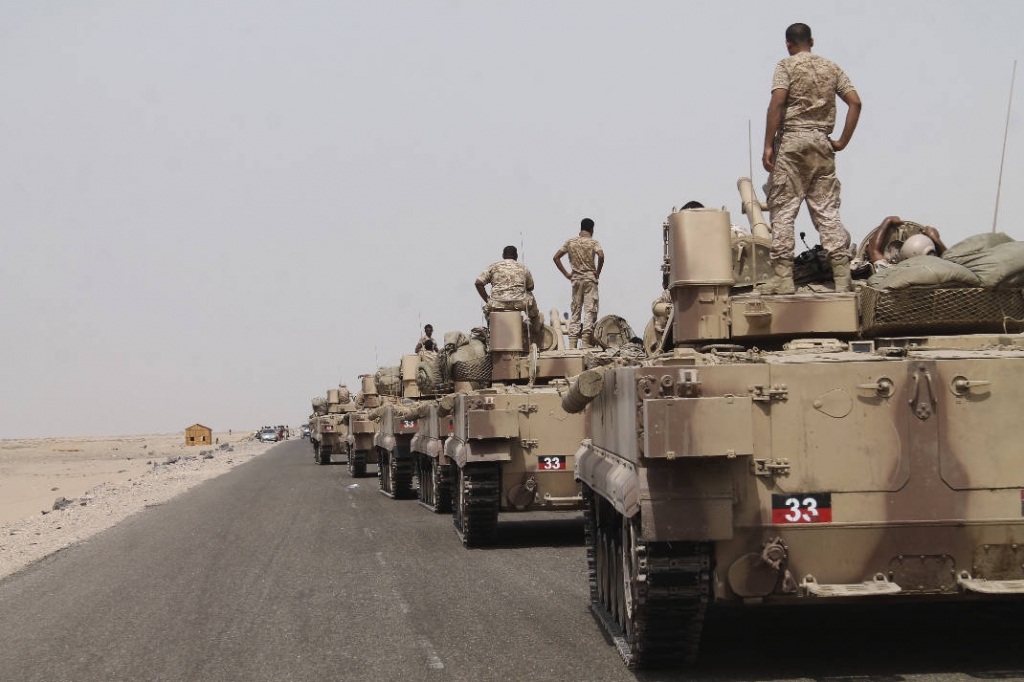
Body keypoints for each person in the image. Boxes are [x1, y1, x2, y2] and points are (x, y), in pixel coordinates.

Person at [760, 22, 862, 294]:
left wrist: (768, 145)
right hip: (822, 143)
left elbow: (778, 103)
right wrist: (841, 140)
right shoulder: (832, 67)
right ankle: (842, 277)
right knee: (826, 210)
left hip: (793, 141)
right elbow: (855, 102)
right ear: (812, 41)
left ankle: (783, 279)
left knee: (783, 208)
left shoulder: (786, 66)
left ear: (788, 44)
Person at [553, 218, 605, 348]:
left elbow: (556, 257)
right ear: (592, 229)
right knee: (589, 310)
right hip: (589, 279)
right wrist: (597, 271)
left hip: (575, 279)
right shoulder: (593, 242)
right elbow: (601, 255)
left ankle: (572, 344)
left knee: (575, 312)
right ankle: (586, 342)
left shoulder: (570, 242)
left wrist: (566, 274)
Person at [475, 245, 545, 338]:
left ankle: (492, 331)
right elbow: (530, 287)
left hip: (497, 304)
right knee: (530, 296)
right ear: (516, 256)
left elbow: (478, 283)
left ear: (503, 255)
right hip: (519, 303)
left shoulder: (494, 267)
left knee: (488, 311)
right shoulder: (523, 268)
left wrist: (488, 300)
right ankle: (535, 323)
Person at [866, 216, 946, 269]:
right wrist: (935, 239)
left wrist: (887, 221)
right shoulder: (943, 272)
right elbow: (952, 259)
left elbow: (873, 251)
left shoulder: (892, 274)